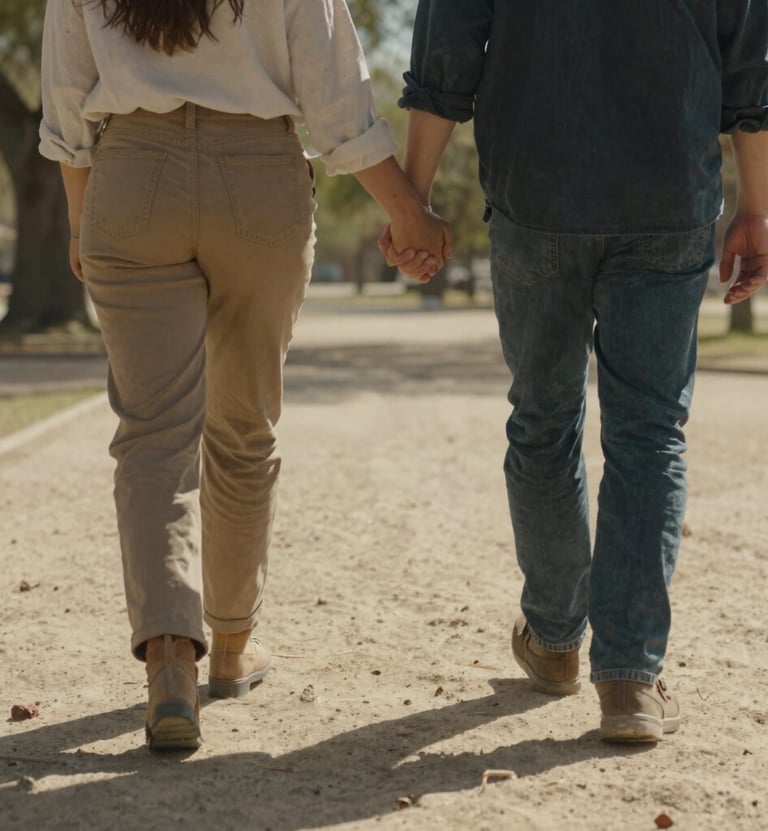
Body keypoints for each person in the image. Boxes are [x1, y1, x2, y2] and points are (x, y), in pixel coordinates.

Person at [39, 0, 451, 751]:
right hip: (257, 178)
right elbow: (336, 104)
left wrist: (78, 223)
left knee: (153, 433)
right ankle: (229, 646)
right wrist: (410, 215)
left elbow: (67, 102)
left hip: (129, 177)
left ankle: (170, 662)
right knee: (243, 424)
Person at [382, 1, 768, 742]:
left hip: (537, 197)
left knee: (543, 419)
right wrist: (756, 203)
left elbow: (444, 59)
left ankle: (556, 639)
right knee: (649, 433)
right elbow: (750, 69)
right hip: (669, 195)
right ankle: (629, 675)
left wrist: (414, 198)